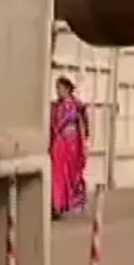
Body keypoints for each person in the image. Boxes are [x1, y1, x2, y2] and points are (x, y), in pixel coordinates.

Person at [48, 76, 89, 219]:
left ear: (66, 89)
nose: (57, 91)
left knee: (70, 175)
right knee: (58, 175)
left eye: (59, 88)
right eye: (56, 88)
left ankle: (65, 204)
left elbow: (84, 125)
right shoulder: (56, 106)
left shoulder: (76, 105)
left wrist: (84, 141)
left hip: (71, 145)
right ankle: (57, 205)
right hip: (59, 144)